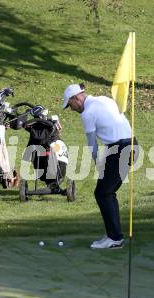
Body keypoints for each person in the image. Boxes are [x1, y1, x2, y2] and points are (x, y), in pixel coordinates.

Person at [62, 83, 137, 249]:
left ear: (76, 98)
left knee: (103, 193)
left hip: (120, 149)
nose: (72, 109)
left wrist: (98, 163)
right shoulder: (105, 99)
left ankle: (115, 238)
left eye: (70, 105)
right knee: (106, 193)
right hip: (132, 145)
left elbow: (92, 145)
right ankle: (113, 235)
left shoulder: (88, 113)